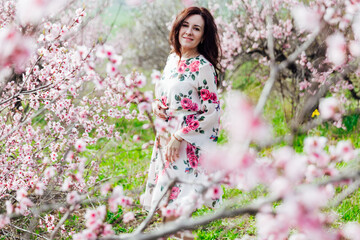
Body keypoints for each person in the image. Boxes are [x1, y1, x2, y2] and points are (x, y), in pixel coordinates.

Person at [143, 6, 222, 234]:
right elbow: (166, 94)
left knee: (173, 209)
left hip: (186, 143)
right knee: (167, 209)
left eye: (196, 28)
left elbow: (212, 110)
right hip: (166, 139)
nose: (189, 32)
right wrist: (158, 104)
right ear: (178, 28)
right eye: (185, 26)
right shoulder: (172, 59)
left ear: (203, 36)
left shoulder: (204, 67)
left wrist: (180, 135)